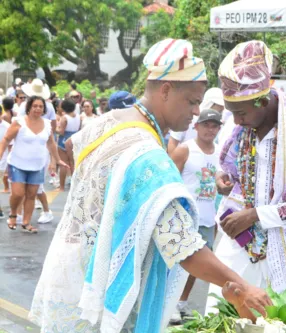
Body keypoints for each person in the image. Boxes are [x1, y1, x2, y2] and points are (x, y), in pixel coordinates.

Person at [30, 38, 271, 333]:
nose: (197, 112)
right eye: (193, 101)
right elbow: (182, 244)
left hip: (69, 272)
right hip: (97, 297)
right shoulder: (148, 155)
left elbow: (71, 145)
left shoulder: (112, 121)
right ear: (166, 90)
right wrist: (244, 286)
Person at [206, 40, 286, 314]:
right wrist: (223, 179)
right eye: (232, 112)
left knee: (284, 324)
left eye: (240, 112)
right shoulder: (237, 125)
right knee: (222, 319)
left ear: (264, 99)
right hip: (239, 246)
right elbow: (229, 169)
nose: (235, 120)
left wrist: (255, 215)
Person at [170, 109, 222, 322]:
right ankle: (170, 303)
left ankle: (181, 302)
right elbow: (169, 181)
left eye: (214, 125)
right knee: (178, 263)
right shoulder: (184, 150)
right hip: (185, 217)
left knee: (197, 266)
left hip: (208, 219)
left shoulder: (220, 152)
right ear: (196, 127)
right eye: (206, 125)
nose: (210, 129)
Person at [0, 96, 65, 233]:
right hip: (17, 164)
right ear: (29, 107)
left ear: (44, 109)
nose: (38, 109)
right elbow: (6, 139)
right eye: (35, 106)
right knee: (18, 193)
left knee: (31, 194)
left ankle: (26, 222)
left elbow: (51, 143)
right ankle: (13, 214)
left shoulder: (47, 124)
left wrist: (57, 159)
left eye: (41, 106)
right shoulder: (19, 122)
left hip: (37, 166)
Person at [168, 87, 225, 153]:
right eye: (219, 106)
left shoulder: (218, 124)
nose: (221, 110)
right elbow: (173, 142)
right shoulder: (188, 117)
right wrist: (173, 161)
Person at [56, 99, 81, 191]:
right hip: (74, 140)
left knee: (63, 163)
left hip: (64, 140)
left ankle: (61, 187)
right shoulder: (79, 117)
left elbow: (61, 131)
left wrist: (54, 128)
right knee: (72, 162)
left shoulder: (64, 118)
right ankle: (75, 184)